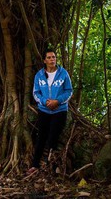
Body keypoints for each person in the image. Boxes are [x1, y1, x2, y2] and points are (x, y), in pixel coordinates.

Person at [27, 48, 73, 176]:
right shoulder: (39, 75)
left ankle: (51, 166)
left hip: (60, 111)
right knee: (40, 137)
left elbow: (69, 91)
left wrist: (57, 101)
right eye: (49, 57)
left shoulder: (63, 73)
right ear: (44, 60)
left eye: (54, 57)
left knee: (53, 137)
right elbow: (36, 93)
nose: (52, 59)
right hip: (44, 110)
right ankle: (35, 165)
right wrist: (44, 101)